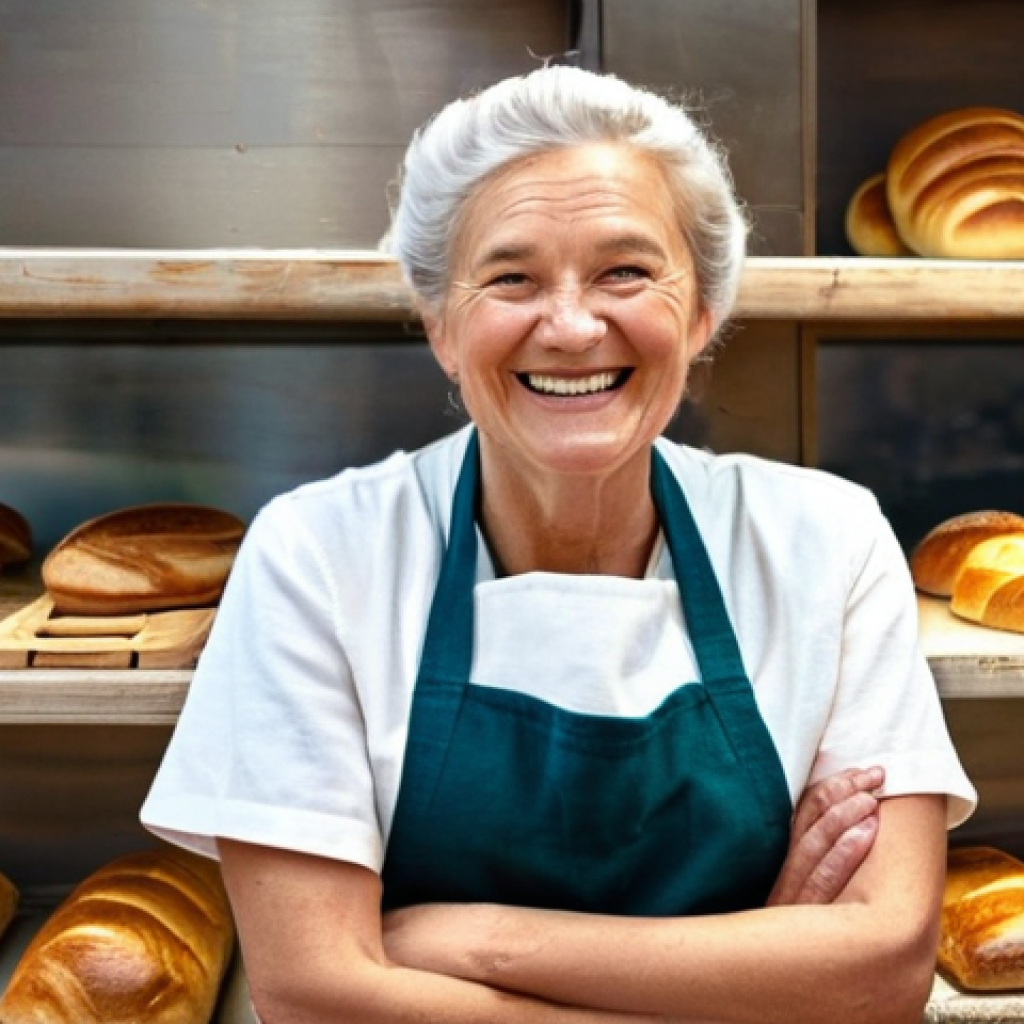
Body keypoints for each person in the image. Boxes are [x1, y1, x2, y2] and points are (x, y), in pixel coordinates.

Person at [141, 65, 976, 1023]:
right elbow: (316, 994)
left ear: (702, 312)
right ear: (442, 327)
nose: (573, 325)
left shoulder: (825, 541)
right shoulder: (322, 554)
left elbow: (885, 965)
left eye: (626, 270)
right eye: (511, 278)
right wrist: (759, 983)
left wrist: (471, 940)